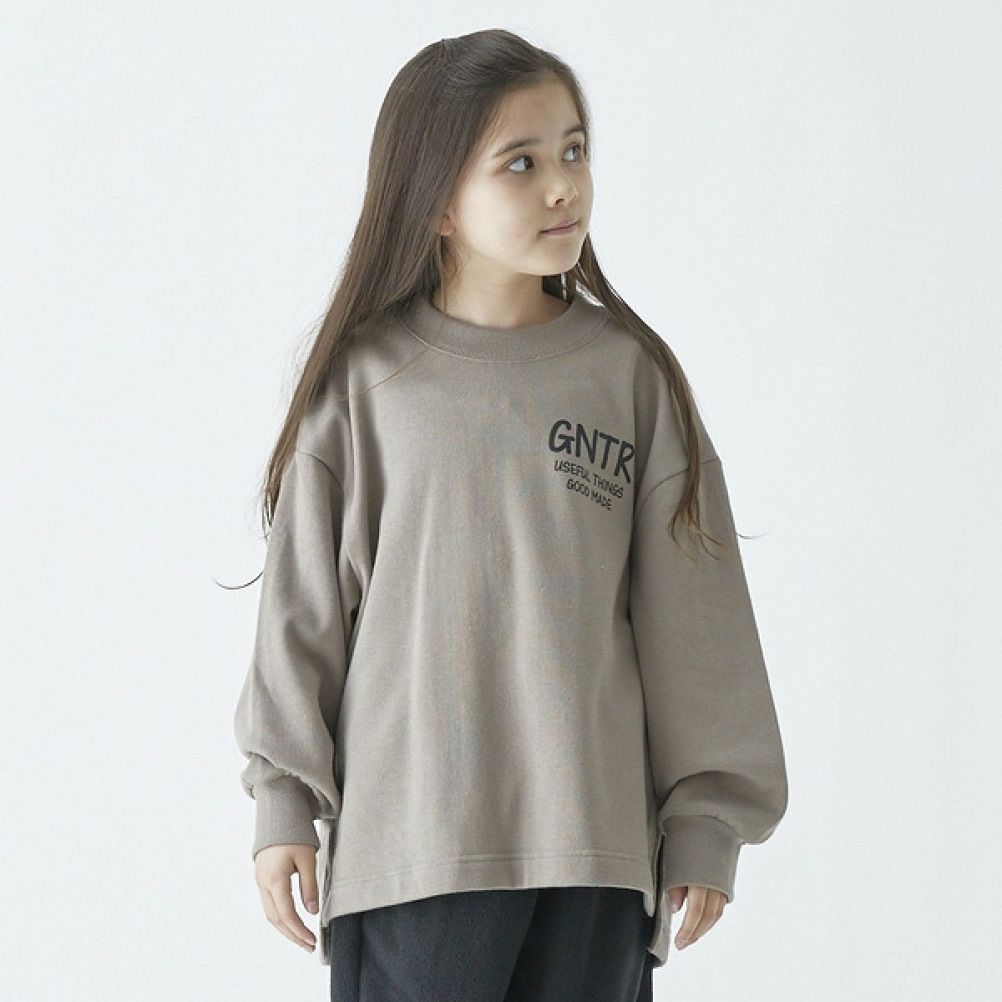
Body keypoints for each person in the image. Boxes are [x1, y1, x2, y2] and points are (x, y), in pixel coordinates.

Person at [231, 28, 789, 1002]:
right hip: (411, 861)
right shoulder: (364, 386)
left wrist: (706, 819)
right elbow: (302, 618)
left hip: (593, 859)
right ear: (437, 200)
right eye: (521, 163)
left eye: (574, 150)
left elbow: (698, 621)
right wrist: (284, 802)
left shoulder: (629, 378)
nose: (564, 186)